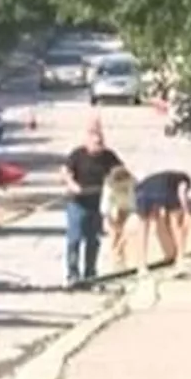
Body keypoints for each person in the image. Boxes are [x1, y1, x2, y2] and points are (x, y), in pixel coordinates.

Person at [61, 115, 124, 287]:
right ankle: (72, 274)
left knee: (93, 240)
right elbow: (66, 172)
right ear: (88, 141)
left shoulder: (109, 156)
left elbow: (120, 173)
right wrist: (72, 184)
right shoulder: (77, 154)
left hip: (97, 204)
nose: (99, 147)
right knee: (74, 238)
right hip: (78, 203)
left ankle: (90, 273)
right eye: (96, 143)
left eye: (101, 143)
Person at [133, 169, 191, 272]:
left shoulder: (167, 176)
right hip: (164, 190)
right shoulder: (184, 179)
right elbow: (181, 193)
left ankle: (141, 265)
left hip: (141, 190)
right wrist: (186, 211)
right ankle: (180, 261)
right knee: (175, 225)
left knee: (142, 229)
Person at [100, 166, 137, 269]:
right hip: (114, 207)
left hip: (129, 208)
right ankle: (115, 262)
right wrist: (112, 221)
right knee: (114, 235)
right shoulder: (109, 185)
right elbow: (106, 205)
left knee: (128, 234)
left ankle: (126, 259)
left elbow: (133, 204)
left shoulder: (132, 183)